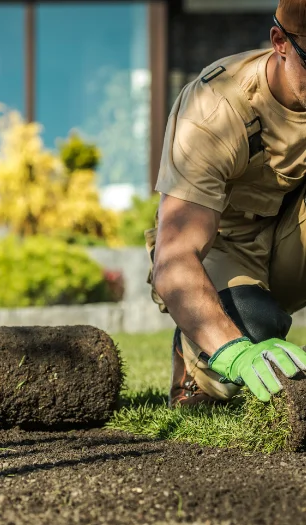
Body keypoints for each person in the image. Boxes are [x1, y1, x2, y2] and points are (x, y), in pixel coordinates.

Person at [146, 0, 306, 407]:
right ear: (280, 43)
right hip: (224, 245)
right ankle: (196, 366)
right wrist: (233, 353)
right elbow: (176, 257)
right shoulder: (214, 108)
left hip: (289, 237)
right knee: (255, 325)